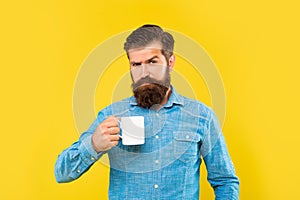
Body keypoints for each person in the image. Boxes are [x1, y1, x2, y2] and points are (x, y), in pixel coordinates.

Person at [55, 24, 240, 199]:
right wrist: (93, 145)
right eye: (136, 64)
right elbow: (61, 173)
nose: (144, 72)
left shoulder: (201, 117)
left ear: (170, 61)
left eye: (152, 62)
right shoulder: (112, 116)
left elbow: (225, 180)